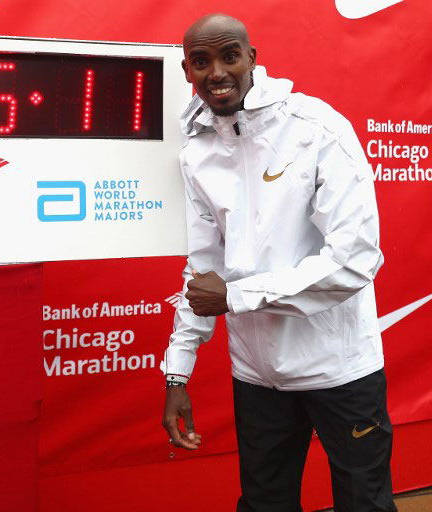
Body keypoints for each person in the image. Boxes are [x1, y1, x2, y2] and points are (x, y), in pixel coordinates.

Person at [162, 13, 397, 512]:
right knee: (265, 504)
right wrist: (177, 371)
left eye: (229, 56)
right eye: (201, 62)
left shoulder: (316, 128)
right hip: (257, 374)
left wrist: (236, 296)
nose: (217, 72)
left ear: (253, 58)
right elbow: (203, 269)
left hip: (340, 370)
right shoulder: (197, 152)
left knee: (365, 505)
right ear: (186, 71)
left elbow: (354, 259)